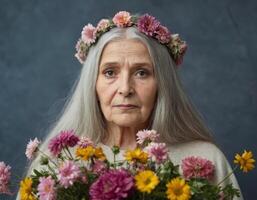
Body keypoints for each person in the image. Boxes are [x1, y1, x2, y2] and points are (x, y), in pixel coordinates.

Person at [18, 11, 243, 199]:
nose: (125, 88)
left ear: (162, 84)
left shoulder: (206, 160)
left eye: (142, 73)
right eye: (109, 72)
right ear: (92, 85)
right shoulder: (56, 164)